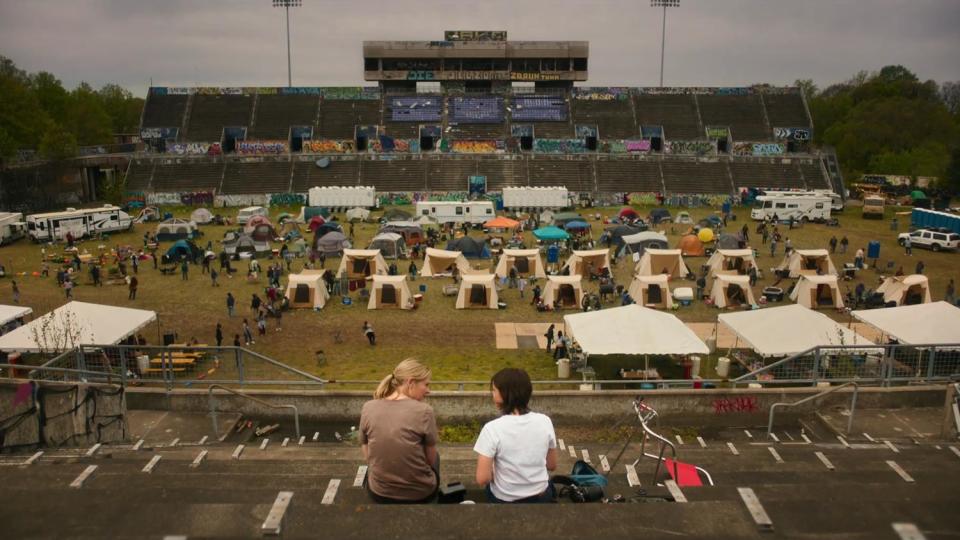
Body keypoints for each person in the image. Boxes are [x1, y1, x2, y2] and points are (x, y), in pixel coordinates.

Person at [359, 359, 439, 504]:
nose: (428, 390)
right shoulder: (424, 411)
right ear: (410, 382)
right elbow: (430, 460)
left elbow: (366, 450)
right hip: (420, 494)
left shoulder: (368, 407)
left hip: (379, 492)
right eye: (426, 384)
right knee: (437, 456)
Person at [474, 368, 558, 504]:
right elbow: (552, 465)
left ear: (504, 394)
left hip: (504, 499)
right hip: (541, 497)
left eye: (494, 390)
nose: (492, 394)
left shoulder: (492, 428)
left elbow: (482, 479)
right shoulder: (545, 421)